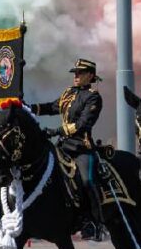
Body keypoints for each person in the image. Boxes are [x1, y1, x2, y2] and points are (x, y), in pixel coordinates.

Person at [30, 59, 104, 238]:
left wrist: (56, 130)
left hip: (81, 147)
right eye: (75, 73)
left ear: (90, 76)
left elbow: (83, 123)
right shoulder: (68, 93)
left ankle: (93, 222)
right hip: (62, 147)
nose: (76, 76)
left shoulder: (93, 97)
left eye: (80, 73)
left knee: (87, 181)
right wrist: (28, 107)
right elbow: (51, 107)